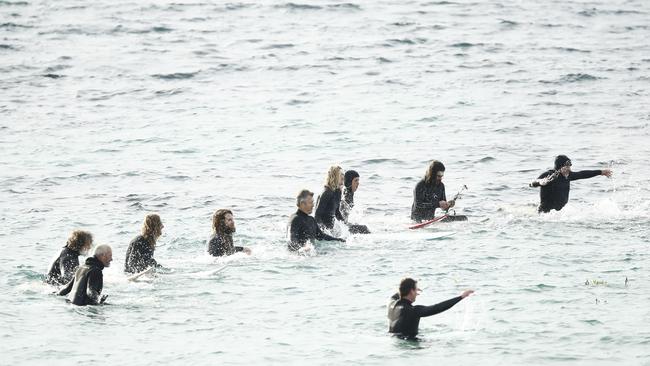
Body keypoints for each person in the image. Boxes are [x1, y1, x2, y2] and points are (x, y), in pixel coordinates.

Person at [388, 278, 474, 339]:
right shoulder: (413, 310)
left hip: (393, 338)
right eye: (415, 290)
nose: (416, 293)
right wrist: (461, 297)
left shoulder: (392, 304)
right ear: (411, 291)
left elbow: (395, 295)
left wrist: (410, 289)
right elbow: (437, 308)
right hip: (410, 344)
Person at [530, 155, 613, 213]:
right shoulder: (549, 175)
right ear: (560, 167)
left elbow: (583, 174)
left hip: (560, 214)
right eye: (567, 166)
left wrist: (600, 172)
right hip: (545, 214)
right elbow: (531, 184)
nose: (569, 168)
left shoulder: (568, 175)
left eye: (570, 166)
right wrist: (541, 182)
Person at [314, 165, 345, 230]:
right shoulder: (326, 193)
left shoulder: (338, 192)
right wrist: (324, 231)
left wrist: (346, 224)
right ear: (334, 177)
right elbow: (317, 216)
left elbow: (337, 212)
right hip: (323, 230)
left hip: (331, 229)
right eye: (341, 175)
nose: (343, 177)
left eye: (343, 175)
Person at [340, 170, 371, 234]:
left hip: (343, 226)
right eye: (356, 180)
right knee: (364, 228)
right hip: (341, 227)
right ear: (349, 182)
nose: (358, 183)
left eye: (358, 180)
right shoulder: (345, 195)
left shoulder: (350, 194)